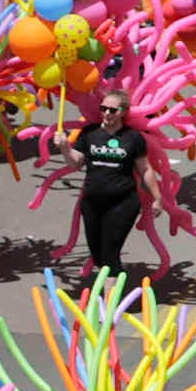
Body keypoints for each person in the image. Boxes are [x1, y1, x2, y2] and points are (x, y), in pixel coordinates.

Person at [73, 103, 151, 279]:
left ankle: (110, 302)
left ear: (123, 112)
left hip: (123, 203)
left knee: (110, 255)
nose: (107, 113)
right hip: (92, 203)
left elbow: (145, 169)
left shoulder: (133, 137)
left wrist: (158, 198)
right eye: (103, 108)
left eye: (112, 110)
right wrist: (64, 147)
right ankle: (117, 279)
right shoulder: (89, 133)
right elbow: (76, 162)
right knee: (98, 256)